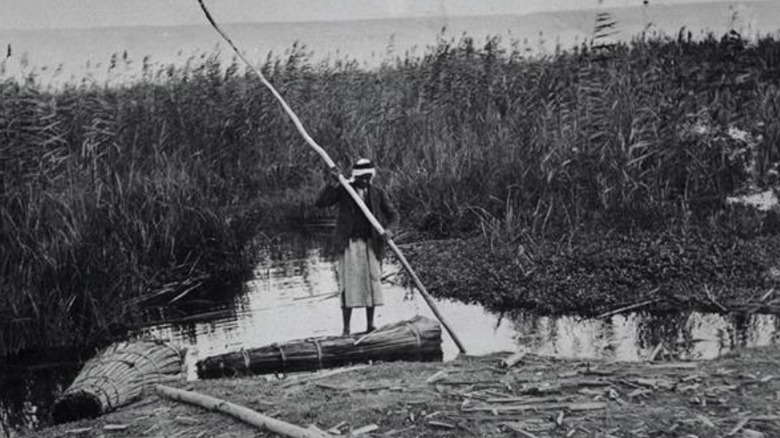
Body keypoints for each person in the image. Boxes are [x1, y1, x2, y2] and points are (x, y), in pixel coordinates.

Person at [316, 158, 399, 336]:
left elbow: (393, 215)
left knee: (372, 283)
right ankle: (346, 329)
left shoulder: (377, 193)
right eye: (363, 178)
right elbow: (321, 202)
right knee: (349, 286)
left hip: (371, 244)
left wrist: (390, 230)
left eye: (369, 177)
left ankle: (370, 325)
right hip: (350, 245)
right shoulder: (345, 190)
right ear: (356, 177)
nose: (366, 181)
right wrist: (333, 182)